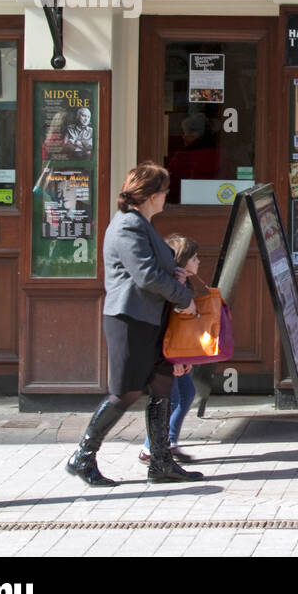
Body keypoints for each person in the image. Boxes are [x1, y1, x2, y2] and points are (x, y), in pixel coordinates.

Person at [66, 162, 204, 486]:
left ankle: (160, 462)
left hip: (149, 318)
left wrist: (176, 275)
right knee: (124, 393)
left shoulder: (143, 224)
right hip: (129, 320)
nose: (167, 195)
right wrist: (183, 297)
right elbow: (145, 275)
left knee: (162, 386)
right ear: (150, 194)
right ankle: (83, 456)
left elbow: (157, 270)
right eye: (164, 190)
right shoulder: (128, 226)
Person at [138, 233, 201, 465]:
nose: (198, 262)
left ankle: (170, 442)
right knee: (170, 400)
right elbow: (169, 327)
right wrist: (175, 359)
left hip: (177, 352)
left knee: (186, 394)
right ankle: (150, 448)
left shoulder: (182, 284)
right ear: (181, 260)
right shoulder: (170, 288)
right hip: (165, 352)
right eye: (194, 258)